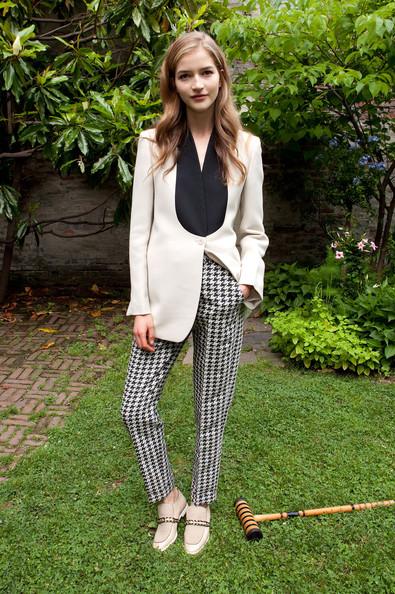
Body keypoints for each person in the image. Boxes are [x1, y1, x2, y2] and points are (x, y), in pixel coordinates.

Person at [121, 30, 269, 555]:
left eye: (206, 72)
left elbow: (253, 231)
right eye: (186, 75)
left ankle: (202, 502)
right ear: (173, 82)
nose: (197, 83)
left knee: (213, 406)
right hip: (164, 294)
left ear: (221, 75)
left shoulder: (246, 146)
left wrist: (249, 275)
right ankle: (169, 497)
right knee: (135, 406)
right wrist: (140, 303)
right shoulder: (152, 143)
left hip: (225, 288)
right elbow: (140, 231)